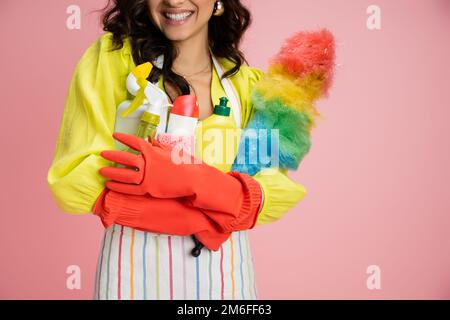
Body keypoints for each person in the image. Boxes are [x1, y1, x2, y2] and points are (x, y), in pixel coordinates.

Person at [47, 0, 306, 300]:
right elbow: (74, 175)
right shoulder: (115, 61)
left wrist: (195, 181)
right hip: (133, 276)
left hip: (225, 282)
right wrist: (201, 219)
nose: (173, 1)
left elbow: (270, 183)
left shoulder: (244, 86)